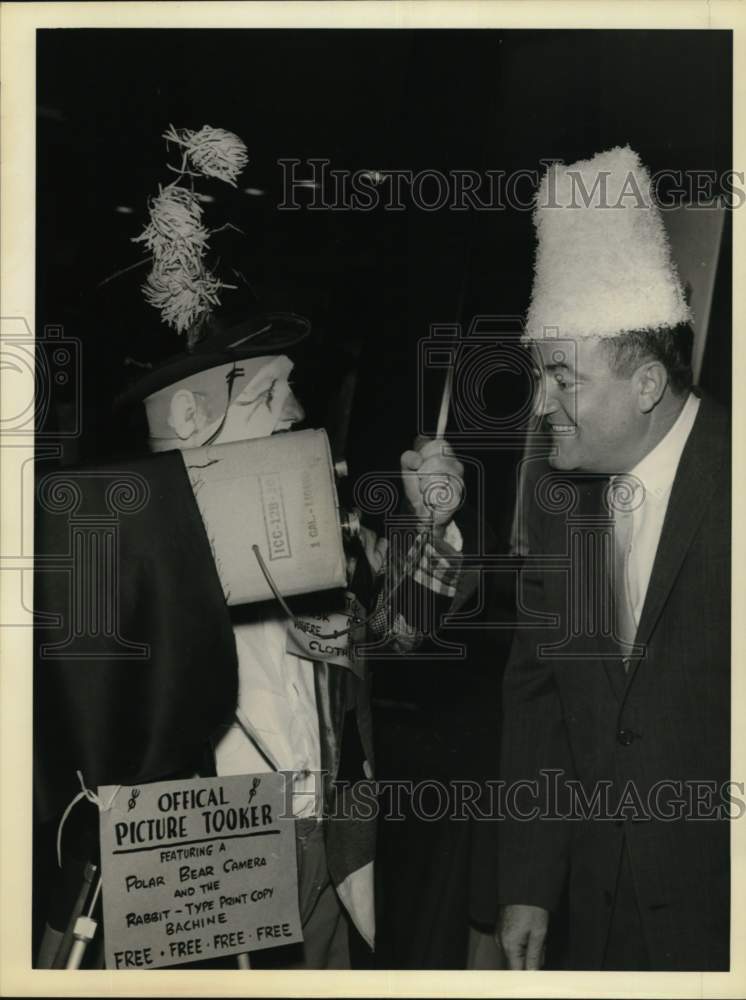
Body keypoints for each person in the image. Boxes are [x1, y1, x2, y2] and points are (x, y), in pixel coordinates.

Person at [33, 311, 466, 970]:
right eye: (268, 394)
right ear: (191, 422)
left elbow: (394, 637)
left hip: (330, 847)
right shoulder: (121, 573)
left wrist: (430, 523)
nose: (295, 410)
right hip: (208, 861)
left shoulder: (317, 542)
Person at [493, 146, 730, 971]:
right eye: (539, 374)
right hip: (599, 917)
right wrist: (527, 881)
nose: (542, 404)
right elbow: (538, 703)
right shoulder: (562, 505)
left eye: (563, 378)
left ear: (645, 385)